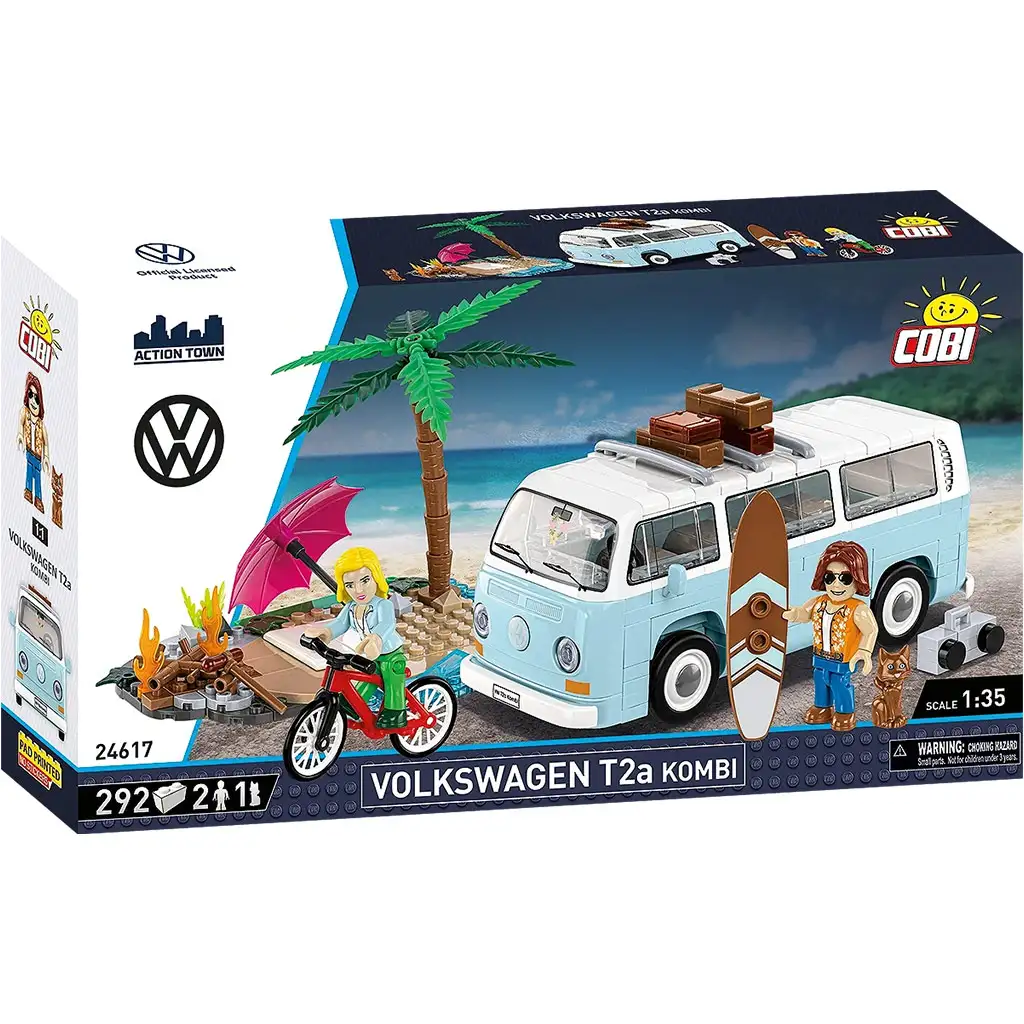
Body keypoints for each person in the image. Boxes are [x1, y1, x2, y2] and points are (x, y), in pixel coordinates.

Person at [782, 540, 878, 731]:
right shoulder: (819, 602)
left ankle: (845, 712)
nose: (836, 584)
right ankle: (822, 707)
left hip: (842, 659)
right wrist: (793, 614)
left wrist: (864, 651)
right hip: (820, 657)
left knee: (839, 683)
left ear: (857, 579)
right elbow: (804, 613)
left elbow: (871, 630)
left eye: (845, 578)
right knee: (820, 679)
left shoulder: (857, 609)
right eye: (829, 577)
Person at [309, 546, 408, 729]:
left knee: (391, 673)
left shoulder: (383, 605)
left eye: (365, 581)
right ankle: (353, 704)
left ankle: (396, 712)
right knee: (365, 676)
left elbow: (387, 624)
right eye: (350, 585)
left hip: (390, 652)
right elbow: (340, 623)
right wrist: (326, 633)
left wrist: (376, 638)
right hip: (369, 651)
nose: (358, 590)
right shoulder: (351, 607)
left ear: (376, 578)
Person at [18, 373, 49, 514]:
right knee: (29, 472)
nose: (33, 401)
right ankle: (28, 491)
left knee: (37, 476)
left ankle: (38, 499)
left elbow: (46, 443)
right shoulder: (25, 413)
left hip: (38, 456)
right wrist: (20, 434)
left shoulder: (41, 425)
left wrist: (46, 457)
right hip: (29, 451)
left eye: (36, 398)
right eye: (30, 395)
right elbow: (21, 422)